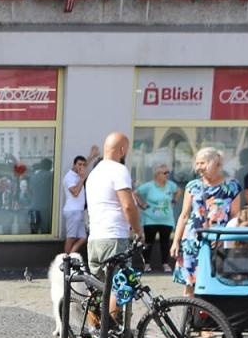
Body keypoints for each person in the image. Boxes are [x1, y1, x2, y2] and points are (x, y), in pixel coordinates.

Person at [84, 133, 142, 324]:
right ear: (123, 150)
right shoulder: (119, 170)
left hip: (94, 239)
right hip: (114, 237)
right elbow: (128, 205)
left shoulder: (94, 173)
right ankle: (112, 332)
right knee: (120, 286)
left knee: (99, 289)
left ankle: (95, 335)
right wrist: (138, 230)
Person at [170, 147, 243, 298]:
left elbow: (235, 217)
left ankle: (211, 319)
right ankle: (188, 319)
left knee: (217, 282)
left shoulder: (232, 186)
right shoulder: (193, 186)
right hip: (192, 240)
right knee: (190, 285)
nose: (198, 168)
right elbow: (184, 215)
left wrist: (231, 240)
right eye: (197, 164)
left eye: (202, 163)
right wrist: (176, 241)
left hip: (219, 240)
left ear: (215, 163)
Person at [134, 164, 179, 272]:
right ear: (157, 175)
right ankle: (147, 264)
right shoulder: (149, 186)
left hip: (166, 220)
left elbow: (178, 190)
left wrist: (174, 200)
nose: (167, 175)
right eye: (165, 173)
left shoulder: (170, 185)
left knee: (165, 243)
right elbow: (135, 193)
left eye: (168, 173)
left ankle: (165, 263)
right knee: (149, 242)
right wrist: (142, 204)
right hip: (150, 219)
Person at [61, 154, 88, 255]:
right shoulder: (69, 177)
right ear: (74, 164)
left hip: (79, 211)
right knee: (71, 237)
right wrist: (82, 179)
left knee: (83, 237)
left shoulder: (77, 175)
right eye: (79, 164)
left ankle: (70, 257)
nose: (81, 167)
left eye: (83, 165)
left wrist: (92, 155)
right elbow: (75, 193)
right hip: (72, 211)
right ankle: (66, 262)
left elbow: (85, 164)